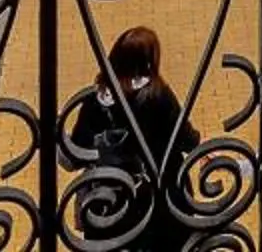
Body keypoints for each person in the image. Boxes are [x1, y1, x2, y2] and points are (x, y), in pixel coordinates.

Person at [64, 26, 200, 252]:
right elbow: (186, 139)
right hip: (161, 199)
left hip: (111, 203)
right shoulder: (158, 95)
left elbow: (75, 155)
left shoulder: (95, 100)